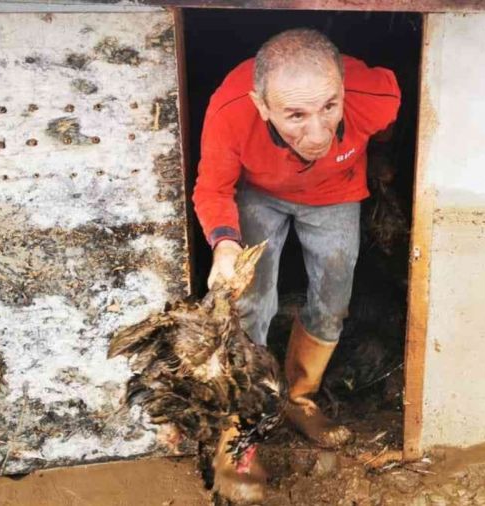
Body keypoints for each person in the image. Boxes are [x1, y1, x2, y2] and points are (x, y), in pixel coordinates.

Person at [192, 27, 400, 503]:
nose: (319, 133)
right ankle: (238, 432)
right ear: (261, 105)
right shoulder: (230, 110)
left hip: (336, 193)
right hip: (258, 192)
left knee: (333, 298)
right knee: (251, 302)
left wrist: (382, 159)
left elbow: (389, 124)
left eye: (330, 107)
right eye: (296, 115)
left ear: (344, 89)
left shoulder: (375, 94)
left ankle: (299, 398)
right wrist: (224, 245)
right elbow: (213, 189)